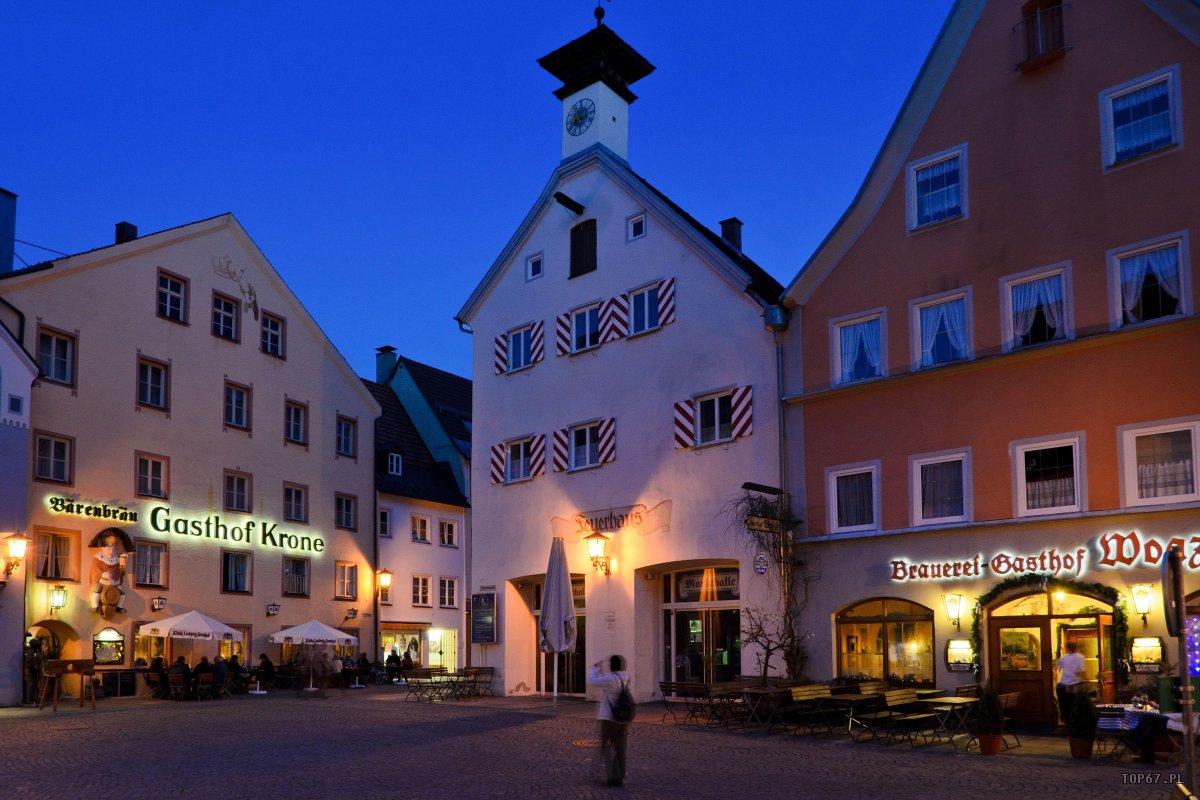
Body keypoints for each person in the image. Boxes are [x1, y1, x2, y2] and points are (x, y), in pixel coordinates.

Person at [590, 654, 632, 787]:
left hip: (608, 717)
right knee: (620, 747)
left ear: (611, 666)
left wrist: (596, 669)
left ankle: (609, 775)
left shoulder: (609, 679)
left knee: (606, 746)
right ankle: (619, 775)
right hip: (623, 717)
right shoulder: (626, 677)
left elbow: (594, 681)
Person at [1056, 640, 1086, 725]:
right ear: (1076, 647)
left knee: (1065, 707)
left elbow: (1057, 669)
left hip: (1063, 684)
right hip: (1075, 684)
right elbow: (1081, 671)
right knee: (1075, 706)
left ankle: (1067, 724)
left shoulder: (1063, 658)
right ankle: (1075, 725)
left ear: (1067, 648)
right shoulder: (1080, 657)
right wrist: (1085, 682)